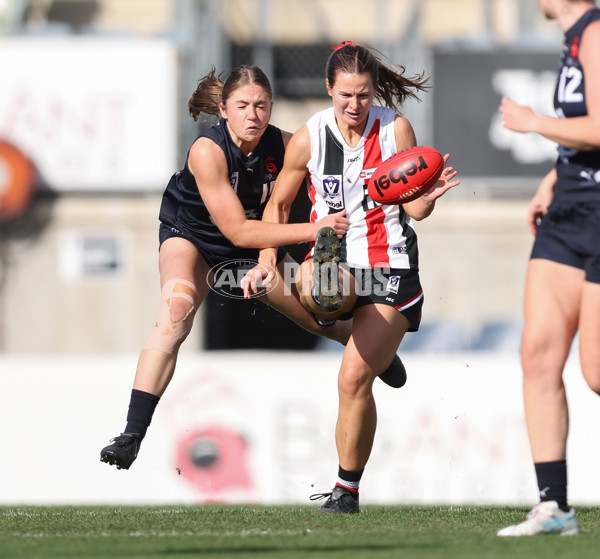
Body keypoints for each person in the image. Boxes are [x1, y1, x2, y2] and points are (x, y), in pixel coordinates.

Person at [100, 65, 405, 471]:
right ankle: (130, 435)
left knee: (319, 315)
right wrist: (315, 229)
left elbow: (320, 190)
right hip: (196, 235)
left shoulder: (287, 143)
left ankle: (375, 353)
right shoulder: (207, 151)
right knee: (175, 312)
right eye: (242, 105)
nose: (253, 115)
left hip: (260, 238)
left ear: (271, 107)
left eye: (261, 105)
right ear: (223, 110)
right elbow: (238, 231)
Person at [242, 41, 460, 513]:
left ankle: (346, 492)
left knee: (351, 379)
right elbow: (278, 206)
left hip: (391, 270)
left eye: (363, 95)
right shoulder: (310, 136)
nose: (354, 105)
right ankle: (352, 334)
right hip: (337, 264)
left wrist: (431, 194)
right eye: (345, 96)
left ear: (373, 91)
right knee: (314, 287)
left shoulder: (395, 128)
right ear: (328, 89)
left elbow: (415, 209)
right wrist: (265, 257)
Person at [496, 0, 600, 537]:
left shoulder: (597, 31)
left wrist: (535, 123)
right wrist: (555, 180)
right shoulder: (573, 35)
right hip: (569, 211)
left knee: (597, 373)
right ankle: (554, 507)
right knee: (537, 356)